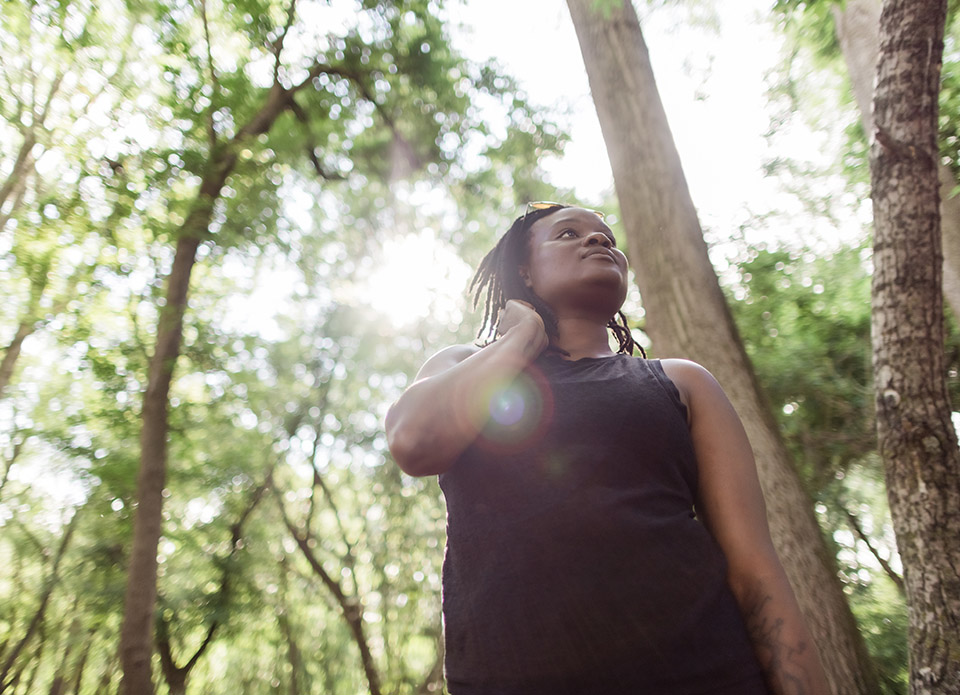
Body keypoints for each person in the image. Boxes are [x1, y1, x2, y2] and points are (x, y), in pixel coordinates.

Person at [385, 203, 830, 694]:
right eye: (569, 233)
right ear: (524, 272)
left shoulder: (681, 381)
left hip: (708, 674)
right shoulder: (463, 367)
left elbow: (754, 569)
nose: (599, 241)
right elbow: (413, 443)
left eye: (607, 237)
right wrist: (524, 337)